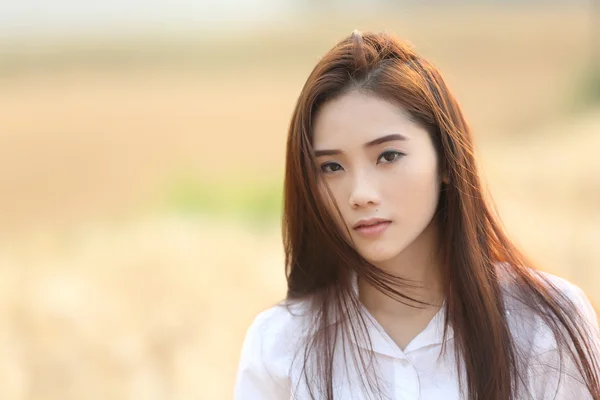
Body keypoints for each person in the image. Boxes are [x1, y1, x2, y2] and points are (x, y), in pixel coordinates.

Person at [233, 30, 600, 399]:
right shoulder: (280, 344)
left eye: (388, 156)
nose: (360, 194)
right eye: (331, 167)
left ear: (445, 159)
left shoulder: (544, 326)